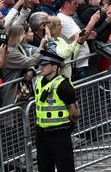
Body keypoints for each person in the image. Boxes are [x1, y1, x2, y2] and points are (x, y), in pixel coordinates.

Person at [34, 44, 78, 172]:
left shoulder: (63, 85)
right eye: (40, 65)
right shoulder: (38, 82)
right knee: (44, 167)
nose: (41, 67)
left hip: (60, 133)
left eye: (44, 65)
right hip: (42, 133)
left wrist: (70, 126)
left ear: (54, 67)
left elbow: (74, 111)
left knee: (65, 166)